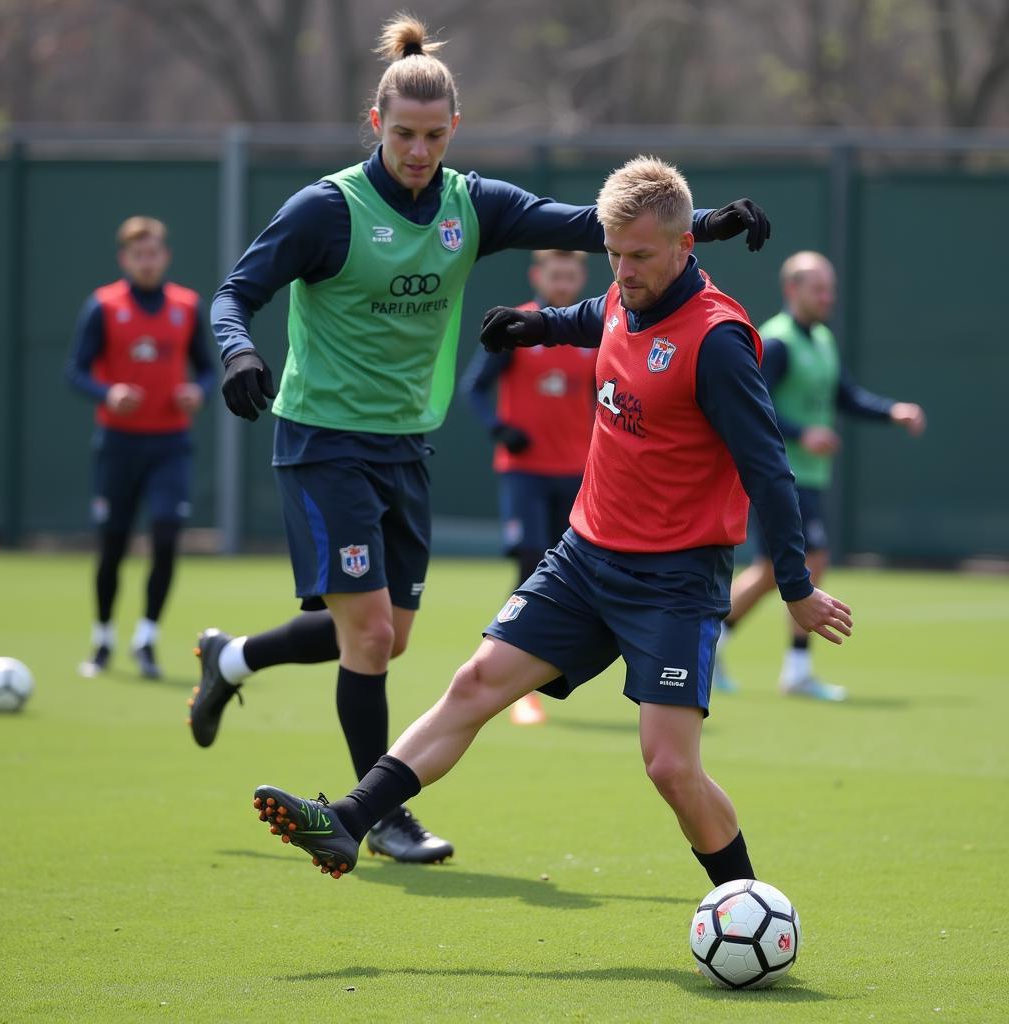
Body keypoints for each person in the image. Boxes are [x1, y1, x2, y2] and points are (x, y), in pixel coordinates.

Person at [190, 14, 773, 865]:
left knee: (384, 630)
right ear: (375, 127)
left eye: (433, 136)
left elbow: (587, 225)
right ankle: (369, 821)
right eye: (402, 135)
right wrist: (239, 351)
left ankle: (232, 657)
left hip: (404, 446)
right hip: (323, 439)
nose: (418, 152)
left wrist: (707, 223)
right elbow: (233, 293)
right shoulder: (327, 209)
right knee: (373, 640)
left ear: (453, 129)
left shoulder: (470, 205)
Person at [250, 156, 854, 886]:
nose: (623, 270)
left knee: (669, 767)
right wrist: (531, 328)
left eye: (639, 256)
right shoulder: (627, 297)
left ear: (684, 246)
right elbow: (595, 316)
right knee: (474, 683)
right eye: (613, 254)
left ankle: (746, 902)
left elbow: (769, 471)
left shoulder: (718, 341)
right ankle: (348, 821)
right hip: (583, 558)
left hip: (674, 579)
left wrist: (794, 586)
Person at [714, 251, 925, 701]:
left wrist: (893, 413)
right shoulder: (776, 341)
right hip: (778, 476)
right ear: (792, 289)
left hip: (808, 476)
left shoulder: (822, 340)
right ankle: (793, 668)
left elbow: (845, 396)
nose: (828, 297)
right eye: (818, 288)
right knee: (810, 561)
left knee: (773, 571)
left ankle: (713, 645)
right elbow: (755, 405)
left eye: (830, 288)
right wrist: (801, 432)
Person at [66, 216, 214, 680]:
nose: (146, 261)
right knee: (112, 544)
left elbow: (207, 369)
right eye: (137, 254)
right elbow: (75, 370)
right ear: (124, 259)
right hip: (119, 444)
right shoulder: (104, 306)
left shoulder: (185, 307)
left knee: (167, 537)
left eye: (153, 253)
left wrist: (199, 392)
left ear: (165, 256)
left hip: (170, 443)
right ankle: (104, 637)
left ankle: (147, 637)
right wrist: (107, 393)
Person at [460, 249, 595, 725]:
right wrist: (500, 428)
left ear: (581, 277)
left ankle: (538, 671)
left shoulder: (591, 332)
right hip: (525, 471)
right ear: (538, 275)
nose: (562, 282)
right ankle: (514, 680)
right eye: (554, 274)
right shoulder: (519, 326)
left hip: (576, 472)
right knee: (532, 556)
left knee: (571, 572)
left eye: (570, 274)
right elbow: (474, 386)